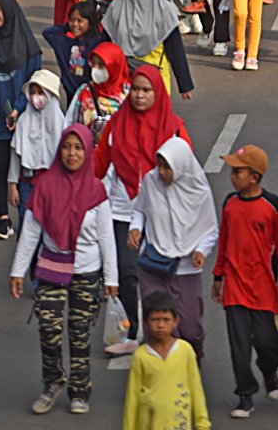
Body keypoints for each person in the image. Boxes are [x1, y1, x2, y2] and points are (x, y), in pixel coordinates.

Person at [10, 125, 118, 416]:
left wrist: (111, 278)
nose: (72, 153)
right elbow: (31, 233)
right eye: (67, 147)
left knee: (80, 332)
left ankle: (80, 390)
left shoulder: (96, 190)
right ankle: (52, 381)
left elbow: (107, 237)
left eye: (79, 148)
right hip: (51, 266)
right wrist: (18, 271)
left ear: (87, 152)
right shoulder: (45, 186)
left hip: (87, 270)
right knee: (48, 327)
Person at [94, 64, 192, 353]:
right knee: (127, 272)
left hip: (162, 213)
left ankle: (165, 332)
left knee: (162, 275)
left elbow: (185, 169)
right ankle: (130, 334)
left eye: (146, 90)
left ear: (157, 92)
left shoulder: (173, 127)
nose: (139, 95)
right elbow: (100, 164)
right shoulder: (116, 124)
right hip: (122, 210)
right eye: (135, 89)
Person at [213, 144, 278, 418]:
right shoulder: (230, 204)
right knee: (239, 345)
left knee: (269, 343)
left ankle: (270, 372)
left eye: (238, 171)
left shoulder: (273, 205)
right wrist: (218, 276)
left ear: (254, 177)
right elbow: (224, 242)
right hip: (234, 285)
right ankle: (245, 396)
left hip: (262, 286)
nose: (232, 176)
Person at [128, 137, 219, 361]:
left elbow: (210, 230)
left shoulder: (199, 191)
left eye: (167, 167)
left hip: (186, 268)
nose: (161, 172)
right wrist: (136, 228)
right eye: (159, 165)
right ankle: (162, 376)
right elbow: (140, 209)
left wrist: (201, 250)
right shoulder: (150, 182)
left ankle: (191, 363)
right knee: (158, 328)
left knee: (190, 330)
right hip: (153, 265)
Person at [0, 0, 42, 241]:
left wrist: (18, 108)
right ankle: (2, 220)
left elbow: (33, 83)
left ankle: (27, 218)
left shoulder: (29, 47)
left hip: (25, 118)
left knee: (27, 170)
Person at [104, 0, 194, 98]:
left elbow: (175, 49)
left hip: (155, 82)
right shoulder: (117, 7)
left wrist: (185, 85)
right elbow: (105, 45)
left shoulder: (163, 10)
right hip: (123, 82)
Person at [122, 292, 211, 430]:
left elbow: (196, 388)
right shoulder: (141, 356)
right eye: (155, 319)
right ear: (146, 322)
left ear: (175, 321)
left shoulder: (185, 350)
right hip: (148, 423)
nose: (160, 325)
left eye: (166, 319)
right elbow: (132, 397)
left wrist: (202, 423)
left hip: (178, 421)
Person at [7, 68, 65, 225]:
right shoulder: (24, 121)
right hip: (28, 181)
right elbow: (16, 153)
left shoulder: (60, 123)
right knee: (26, 220)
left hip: (53, 183)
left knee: (50, 223)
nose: (36, 97)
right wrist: (12, 185)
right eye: (33, 92)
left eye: (41, 92)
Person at [65, 41, 132, 146]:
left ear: (114, 66)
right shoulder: (84, 91)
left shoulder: (129, 95)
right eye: (93, 63)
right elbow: (69, 122)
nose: (96, 69)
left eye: (101, 64)